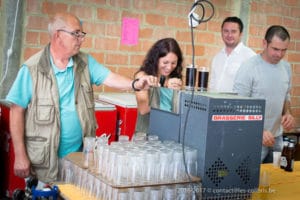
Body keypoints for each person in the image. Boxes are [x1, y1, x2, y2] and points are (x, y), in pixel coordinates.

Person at [5, 12, 158, 183]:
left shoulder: (85, 63)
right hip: (43, 162)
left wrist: (135, 84)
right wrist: (19, 154)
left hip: (78, 160)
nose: (81, 39)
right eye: (76, 34)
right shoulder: (32, 69)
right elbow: (16, 110)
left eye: (82, 34)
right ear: (58, 36)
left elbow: (110, 77)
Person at [233, 25, 295, 163]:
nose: (279, 54)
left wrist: (288, 113)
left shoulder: (286, 67)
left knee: (275, 180)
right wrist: (258, 131)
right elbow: (237, 106)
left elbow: (286, 96)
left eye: (284, 50)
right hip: (252, 139)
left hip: (277, 138)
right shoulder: (249, 68)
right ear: (264, 43)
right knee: (250, 181)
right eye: (275, 49)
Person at [134, 38, 183, 133]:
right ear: (156, 59)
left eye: (173, 63)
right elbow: (143, 109)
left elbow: (179, 110)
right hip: (145, 134)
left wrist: (179, 93)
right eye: (165, 62)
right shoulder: (143, 76)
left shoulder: (175, 79)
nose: (169, 67)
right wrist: (166, 92)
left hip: (168, 133)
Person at [209, 16, 256, 93]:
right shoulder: (217, 57)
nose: (229, 35)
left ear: (240, 34)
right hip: (214, 103)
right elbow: (212, 84)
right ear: (221, 32)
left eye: (233, 31)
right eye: (226, 31)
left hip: (237, 104)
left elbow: (254, 87)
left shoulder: (250, 56)